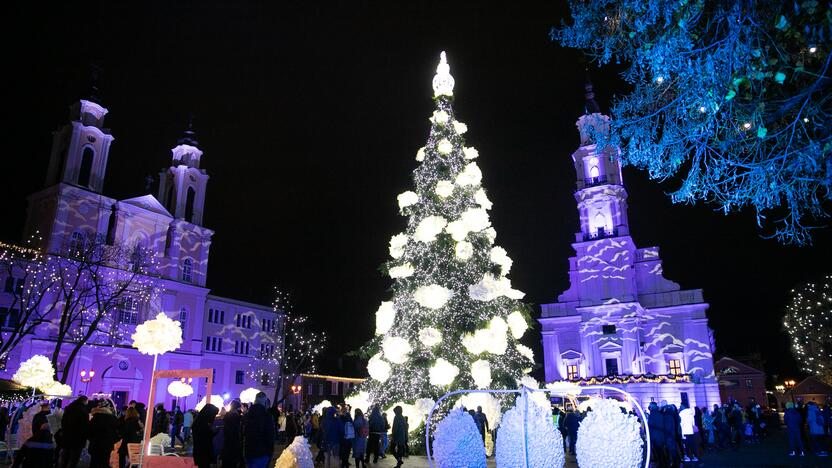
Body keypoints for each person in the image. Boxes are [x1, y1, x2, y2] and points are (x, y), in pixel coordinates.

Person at [242, 392, 275, 468]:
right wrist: (270, 452)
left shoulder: (247, 415)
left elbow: (244, 432)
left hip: (249, 451)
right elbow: (270, 435)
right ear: (265, 402)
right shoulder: (266, 416)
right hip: (262, 452)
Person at [59, 395, 89, 468]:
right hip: (77, 438)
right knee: (74, 459)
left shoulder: (69, 408)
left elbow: (63, 421)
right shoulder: (83, 410)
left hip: (67, 436)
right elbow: (84, 425)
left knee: (65, 457)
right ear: (85, 401)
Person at [87, 403, 119, 468]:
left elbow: (89, 431)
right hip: (107, 445)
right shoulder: (113, 418)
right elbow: (117, 432)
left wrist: (91, 439)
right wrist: (112, 440)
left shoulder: (95, 418)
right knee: (104, 462)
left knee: (94, 462)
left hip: (95, 444)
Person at [193, 404, 220, 468]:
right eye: (213, 415)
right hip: (203, 453)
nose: (214, 417)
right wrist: (214, 431)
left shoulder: (199, 421)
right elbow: (205, 437)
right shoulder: (202, 424)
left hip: (201, 452)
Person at [222, 400, 244, 468]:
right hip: (233, 445)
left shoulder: (228, 416)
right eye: (239, 408)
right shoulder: (235, 417)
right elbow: (236, 432)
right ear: (236, 408)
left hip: (227, 445)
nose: (240, 410)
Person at [647, 402, 668, 467]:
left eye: (649, 406)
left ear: (652, 406)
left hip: (655, 437)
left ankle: (661, 465)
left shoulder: (653, 414)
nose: (649, 407)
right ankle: (664, 464)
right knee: (661, 451)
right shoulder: (659, 412)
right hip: (661, 435)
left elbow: (651, 426)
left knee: (659, 452)